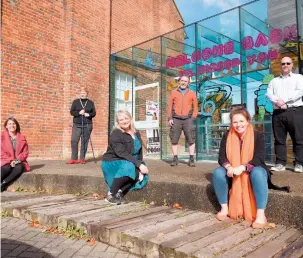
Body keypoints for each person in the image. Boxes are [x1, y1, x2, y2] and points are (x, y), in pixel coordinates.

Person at [212, 106, 289, 228]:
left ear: (248, 121)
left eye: (241, 121)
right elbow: (221, 157)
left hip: (253, 169)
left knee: (258, 172)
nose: (238, 125)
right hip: (233, 171)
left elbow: (259, 158)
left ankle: (260, 214)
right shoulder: (227, 135)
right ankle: (224, 208)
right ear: (231, 123)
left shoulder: (258, 135)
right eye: (235, 122)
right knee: (217, 172)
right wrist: (229, 167)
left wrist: (243, 167)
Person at [101, 110, 149, 204]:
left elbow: (139, 152)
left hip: (129, 160)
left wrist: (140, 164)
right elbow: (122, 153)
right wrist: (138, 165)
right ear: (118, 122)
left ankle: (119, 192)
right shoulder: (116, 133)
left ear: (130, 118)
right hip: (113, 162)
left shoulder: (136, 133)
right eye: (121, 120)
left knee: (141, 173)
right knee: (130, 167)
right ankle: (110, 195)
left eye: (126, 118)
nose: (124, 121)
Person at [266, 56, 303, 173]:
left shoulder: (299, 78)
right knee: (279, 140)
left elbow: (300, 91)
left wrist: (284, 100)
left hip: (294, 111)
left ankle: (299, 164)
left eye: (288, 63)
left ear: (292, 65)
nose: (285, 65)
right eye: (283, 64)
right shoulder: (273, 81)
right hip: (277, 113)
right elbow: (269, 94)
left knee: (298, 138)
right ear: (280, 66)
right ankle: (280, 163)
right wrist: (278, 101)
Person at [167, 75, 198, 167]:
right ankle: (175, 158)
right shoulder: (173, 92)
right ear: (179, 81)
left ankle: (191, 159)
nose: (183, 82)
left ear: (188, 83)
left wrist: (192, 118)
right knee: (174, 139)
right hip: (176, 119)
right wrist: (170, 118)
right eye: (182, 81)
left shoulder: (192, 93)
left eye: (185, 81)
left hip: (188, 119)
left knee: (191, 139)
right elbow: (169, 106)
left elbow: (196, 107)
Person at [67, 87, 96, 164]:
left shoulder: (91, 103)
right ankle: (74, 158)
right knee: (74, 140)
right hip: (77, 124)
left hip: (87, 124)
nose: (83, 94)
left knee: (84, 142)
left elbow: (94, 113)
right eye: (81, 93)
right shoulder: (75, 102)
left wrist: (88, 114)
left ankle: (82, 158)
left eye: (84, 93)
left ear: (87, 94)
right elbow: (71, 112)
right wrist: (78, 113)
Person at [1, 117, 30, 192]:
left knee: (19, 168)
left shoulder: (22, 137)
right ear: (6, 126)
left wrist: (16, 160)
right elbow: (1, 152)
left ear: (16, 125)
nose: (12, 125)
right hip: (6, 160)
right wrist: (10, 160)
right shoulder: (1, 137)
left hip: (19, 161)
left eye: (14, 123)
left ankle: (3, 183)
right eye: (9, 124)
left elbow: (25, 152)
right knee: (6, 168)